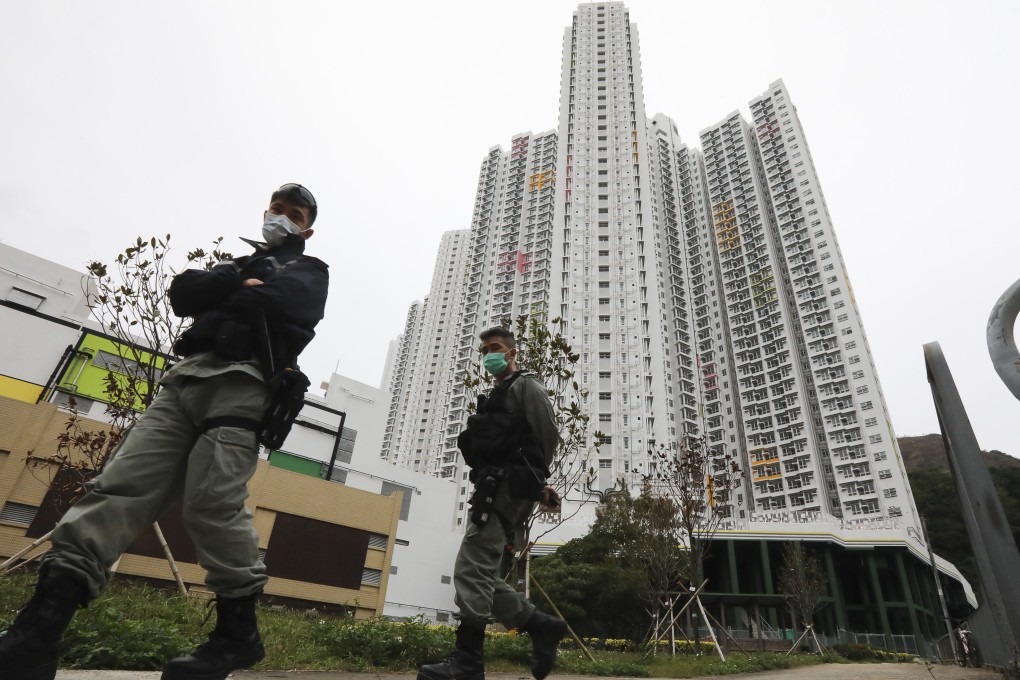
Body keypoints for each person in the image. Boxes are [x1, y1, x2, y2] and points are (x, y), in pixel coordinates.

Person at [0, 183, 329, 680]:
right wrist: (243, 289)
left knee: (212, 502)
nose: (281, 217)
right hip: (183, 382)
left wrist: (235, 295)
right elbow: (183, 293)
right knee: (115, 490)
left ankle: (236, 636)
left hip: (243, 383)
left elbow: (289, 304)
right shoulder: (236, 266)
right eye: (276, 208)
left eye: (294, 213)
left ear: (307, 227)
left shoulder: (310, 270)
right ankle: (38, 633)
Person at [418, 327, 567, 680]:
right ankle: (541, 625)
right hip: (495, 486)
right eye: (485, 350)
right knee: (480, 572)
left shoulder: (526, 386)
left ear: (513, 353)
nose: (490, 355)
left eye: (496, 348)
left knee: (470, 568)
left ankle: (468, 661)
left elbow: (546, 439)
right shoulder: (498, 393)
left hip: (508, 490)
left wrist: (535, 484)